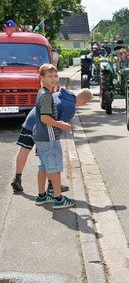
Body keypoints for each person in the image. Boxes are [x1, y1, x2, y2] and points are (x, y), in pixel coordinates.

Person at [12, 88, 92, 193]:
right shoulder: (70, 107)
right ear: (85, 102)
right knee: (48, 157)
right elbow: (61, 126)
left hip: (31, 120)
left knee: (24, 149)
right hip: (43, 128)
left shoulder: (59, 94)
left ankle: (17, 178)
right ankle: (52, 185)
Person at [31, 64, 75, 209]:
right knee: (54, 168)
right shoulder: (47, 96)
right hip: (49, 137)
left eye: (55, 76)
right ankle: (58, 198)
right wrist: (60, 125)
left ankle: (42, 195)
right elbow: (45, 118)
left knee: (43, 166)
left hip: (41, 135)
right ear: (41, 77)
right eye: (50, 76)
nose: (54, 79)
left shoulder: (42, 92)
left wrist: (57, 122)